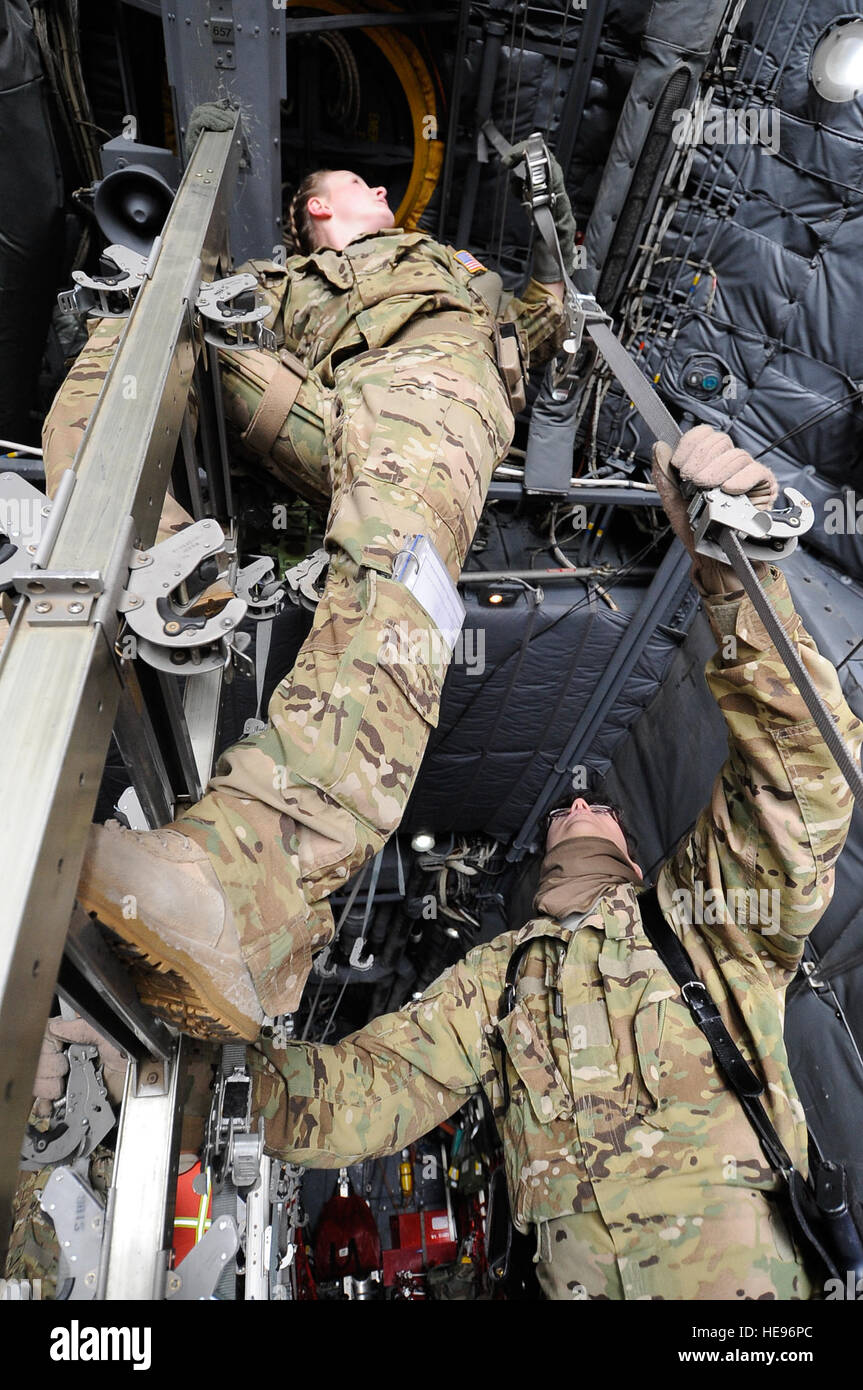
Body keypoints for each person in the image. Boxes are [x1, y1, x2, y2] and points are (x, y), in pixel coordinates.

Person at [247, 427, 862, 1300]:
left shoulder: (705, 929)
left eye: (588, 808)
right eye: (576, 812)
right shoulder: (500, 981)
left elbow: (802, 778)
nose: (577, 805)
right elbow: (362, 1095)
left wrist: (735, 568)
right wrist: (185, 1075)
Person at [49, 156, 568, 1040]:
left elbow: (537, 324)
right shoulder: (285, 280)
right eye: (366, 184)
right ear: (324, 205)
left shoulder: (446, 269)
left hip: (431, 383)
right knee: (149, 321)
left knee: (391, 561)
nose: (383, 193)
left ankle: (249, 879)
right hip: (322, 402)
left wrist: (555, 260)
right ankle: (131, 548)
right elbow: (225, 327)